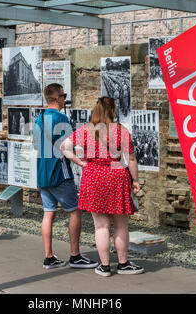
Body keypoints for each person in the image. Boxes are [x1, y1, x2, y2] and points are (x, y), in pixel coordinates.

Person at [60, 96, 144, 277]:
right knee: (121, 225)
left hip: (93, 175)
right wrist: (135, 181)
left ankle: (105, 266)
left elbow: (64, 146)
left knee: (101, 226)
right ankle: (123, 264)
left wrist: (81, 163)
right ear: (113, 111)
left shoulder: (86, 130)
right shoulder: (121, 130)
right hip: (116, 174)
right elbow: (130, 159)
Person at [32, 83, 98, 270]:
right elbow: (70, 148)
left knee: (48, 213)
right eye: (63, 95)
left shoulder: (39, 118)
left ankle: (49, 257)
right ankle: (75, 255)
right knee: (75, 210)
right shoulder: (61, 118)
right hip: (60, 172)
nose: (64, 99)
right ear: (56, 98)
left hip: (43, 172)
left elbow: (37, 146)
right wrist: (85, 160)